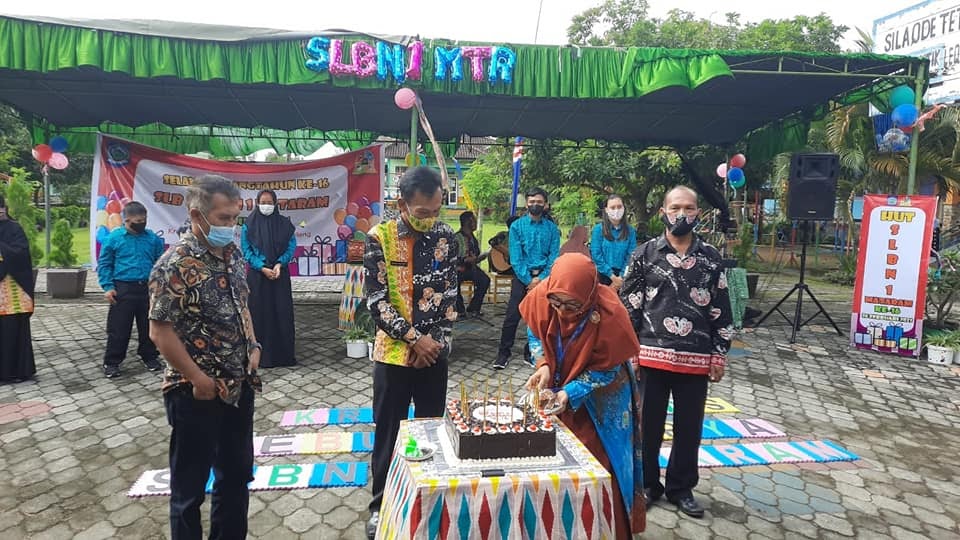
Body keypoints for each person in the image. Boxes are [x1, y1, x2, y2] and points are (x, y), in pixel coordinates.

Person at [148, 175, 262, 539]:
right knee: (189, 489)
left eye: (235, 218)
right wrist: (198, 379)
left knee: (236, 477)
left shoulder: (233, 255)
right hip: (194, 393)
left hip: (238, 386)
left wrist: (254, 345)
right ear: (196, 216)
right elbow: (159, 332)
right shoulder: (174, 264)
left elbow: (242, 304)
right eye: (224, 218)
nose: (231, 226)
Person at [619, 185, 733, 518]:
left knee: (689, 429)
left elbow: (721, 307)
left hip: (696, 357)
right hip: (650, 357)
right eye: (675, 208)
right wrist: (630, 353)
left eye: (689, 208)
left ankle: (681, 488)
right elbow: (629, 308)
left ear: (698, 213)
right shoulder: (644, 254)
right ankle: (648, 485)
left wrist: (719, 352)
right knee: (647, 427)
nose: (682, 214)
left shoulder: (711, 257)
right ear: (663, 212)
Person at [521, 253, 645, 538]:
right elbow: (535, 333)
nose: (562, 312)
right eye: (556, 303)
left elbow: (608, 369)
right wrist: (543, 364)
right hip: (558, 382)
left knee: (598, 460)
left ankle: (604, 528)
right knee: (554, 454)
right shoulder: (543, 295)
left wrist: (570, 392)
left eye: (572, 306)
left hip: (603, 398)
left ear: (589, 297)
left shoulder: (611, 314)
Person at [363, 167, 458, 540]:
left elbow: (450, 298)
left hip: (433, 355)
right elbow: (377, 302)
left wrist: (433, 344)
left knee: (432, 431)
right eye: (422, 212)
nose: (429, 219)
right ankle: (381, 506)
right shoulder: (379, 238)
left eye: (435, 211)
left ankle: (428, 503)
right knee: (389, 434)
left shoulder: (447, 238)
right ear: (401, 204)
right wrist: (414, 339)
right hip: (392, 356)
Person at [493, 187, 560, 370]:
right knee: (512, 315)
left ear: (545, 205)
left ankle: (531, 352)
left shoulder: (552, 229)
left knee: (541, 317)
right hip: (522, 276)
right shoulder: (517, 227)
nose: (535, 205)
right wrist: (529, 281)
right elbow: (516, 257)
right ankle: (503, 353)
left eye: (539, 202)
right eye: (532, 202)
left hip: (545, 277)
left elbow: (554, 256)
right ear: (527, 203)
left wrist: (541, 278)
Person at [98, 201, 166, 379]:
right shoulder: (114, 238)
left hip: (147, 289)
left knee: (148, 326)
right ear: (126, 220)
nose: (141, 224)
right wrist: (108, 287)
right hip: (123, 288)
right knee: (119, 329)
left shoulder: (152, 238)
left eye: (144, 220)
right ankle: (112, 362)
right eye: (137, 221)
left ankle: (149, 356)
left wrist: (160, 285)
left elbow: (160, 263)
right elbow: (105, 264)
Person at [241, 189, 297, 368]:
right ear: (257, 203)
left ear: (275, 204)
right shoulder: (248, 225)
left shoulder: (285, 225)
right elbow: (246, 251)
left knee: (281, 313)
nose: (266, 206)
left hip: (279, 275)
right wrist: (262, 267)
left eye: (269, 202)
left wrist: (279, 264)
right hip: (258, 277)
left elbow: (291, 246)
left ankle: (283, 356)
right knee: (259, 314)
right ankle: (259, 356)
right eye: (263, 202)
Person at [0, 195, 36, 383]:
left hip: (11, 290)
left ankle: (15, 371)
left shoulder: (15, 229)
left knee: (13, 329)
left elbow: (21, 255)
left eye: (1, 207)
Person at [590, 194, 637, 291]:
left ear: (624, 208)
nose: (616, 210)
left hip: (624, 277)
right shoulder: (598, 230)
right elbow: (596, 255)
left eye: (619, 207)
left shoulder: (630, 231)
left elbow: (631, 255)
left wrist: (620, 278)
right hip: (602, 276)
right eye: (612, 207)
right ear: (606, 210)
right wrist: (612, 276)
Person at [454, 210, 490, 317]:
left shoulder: (472, 238)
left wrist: (481, 256)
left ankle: (473, 308)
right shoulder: (456, 238)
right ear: (468, 222)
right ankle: (459, 310)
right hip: (458, 269)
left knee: (485, 280)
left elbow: (475, 255)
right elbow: (452, 257)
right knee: (453, 282)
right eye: (473, 220)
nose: (475, 222)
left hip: (471, 268)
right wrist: (464, 260)